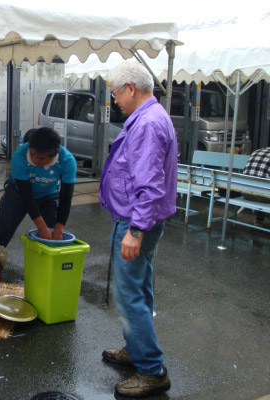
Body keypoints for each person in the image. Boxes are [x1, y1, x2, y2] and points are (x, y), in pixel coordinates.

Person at [98, 63, 177, 398]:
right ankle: (137, 349)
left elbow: (150, 184)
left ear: (130, 88)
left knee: (129, 294)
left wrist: (136, 229)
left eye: (116, 92)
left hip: (136, 220)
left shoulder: (146, 123)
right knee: (139, 288)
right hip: (140, 218)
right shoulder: (153, 115)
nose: (115, 99)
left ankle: (152, 370)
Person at [0, 126, 76, 259]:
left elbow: (66, 197)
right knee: (3, 230)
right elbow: (26, 196)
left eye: (41, 158)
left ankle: (48, 272)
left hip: (48, 194)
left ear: (54, 154)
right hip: (18, 194)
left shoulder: (67, 161)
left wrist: (59, 228)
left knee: (53, 235)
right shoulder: (19, 155)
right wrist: (41, 227)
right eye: (32, 154)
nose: (35, 160)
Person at [242, 146, 270, 227]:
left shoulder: (256, 151)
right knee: (263, 192)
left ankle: (259, 220)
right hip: (263, 197)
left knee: (260, 189)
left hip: (245, 194)